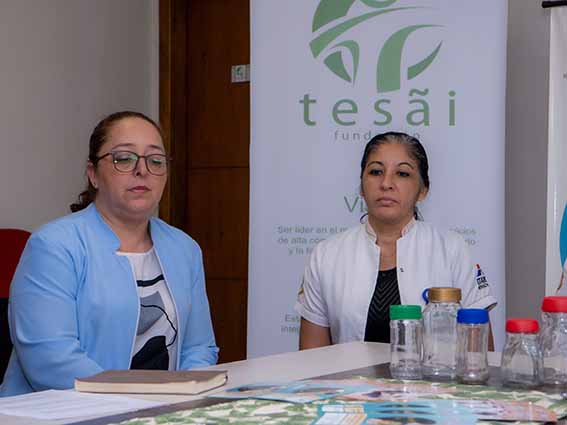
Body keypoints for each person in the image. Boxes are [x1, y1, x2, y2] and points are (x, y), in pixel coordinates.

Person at [1, 111, 218, 396]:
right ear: (93, 174)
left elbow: (199, 348)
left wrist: (188, 395)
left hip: (160, 409)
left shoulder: (184, 248)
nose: (142, 170)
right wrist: (138, 399)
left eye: (155, 160)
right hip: (65, 412)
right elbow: (50, 360)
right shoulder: (54, 245)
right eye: (124, 158)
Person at [295, 131, 497, 349]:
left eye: (402, 173)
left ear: (423, 190)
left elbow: (480, 353)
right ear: (361, 186)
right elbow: (312, 357)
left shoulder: (452, 249)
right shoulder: (326, 255)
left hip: (435, 373)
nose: (386, 183)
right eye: (376, 172)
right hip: (348, 374)